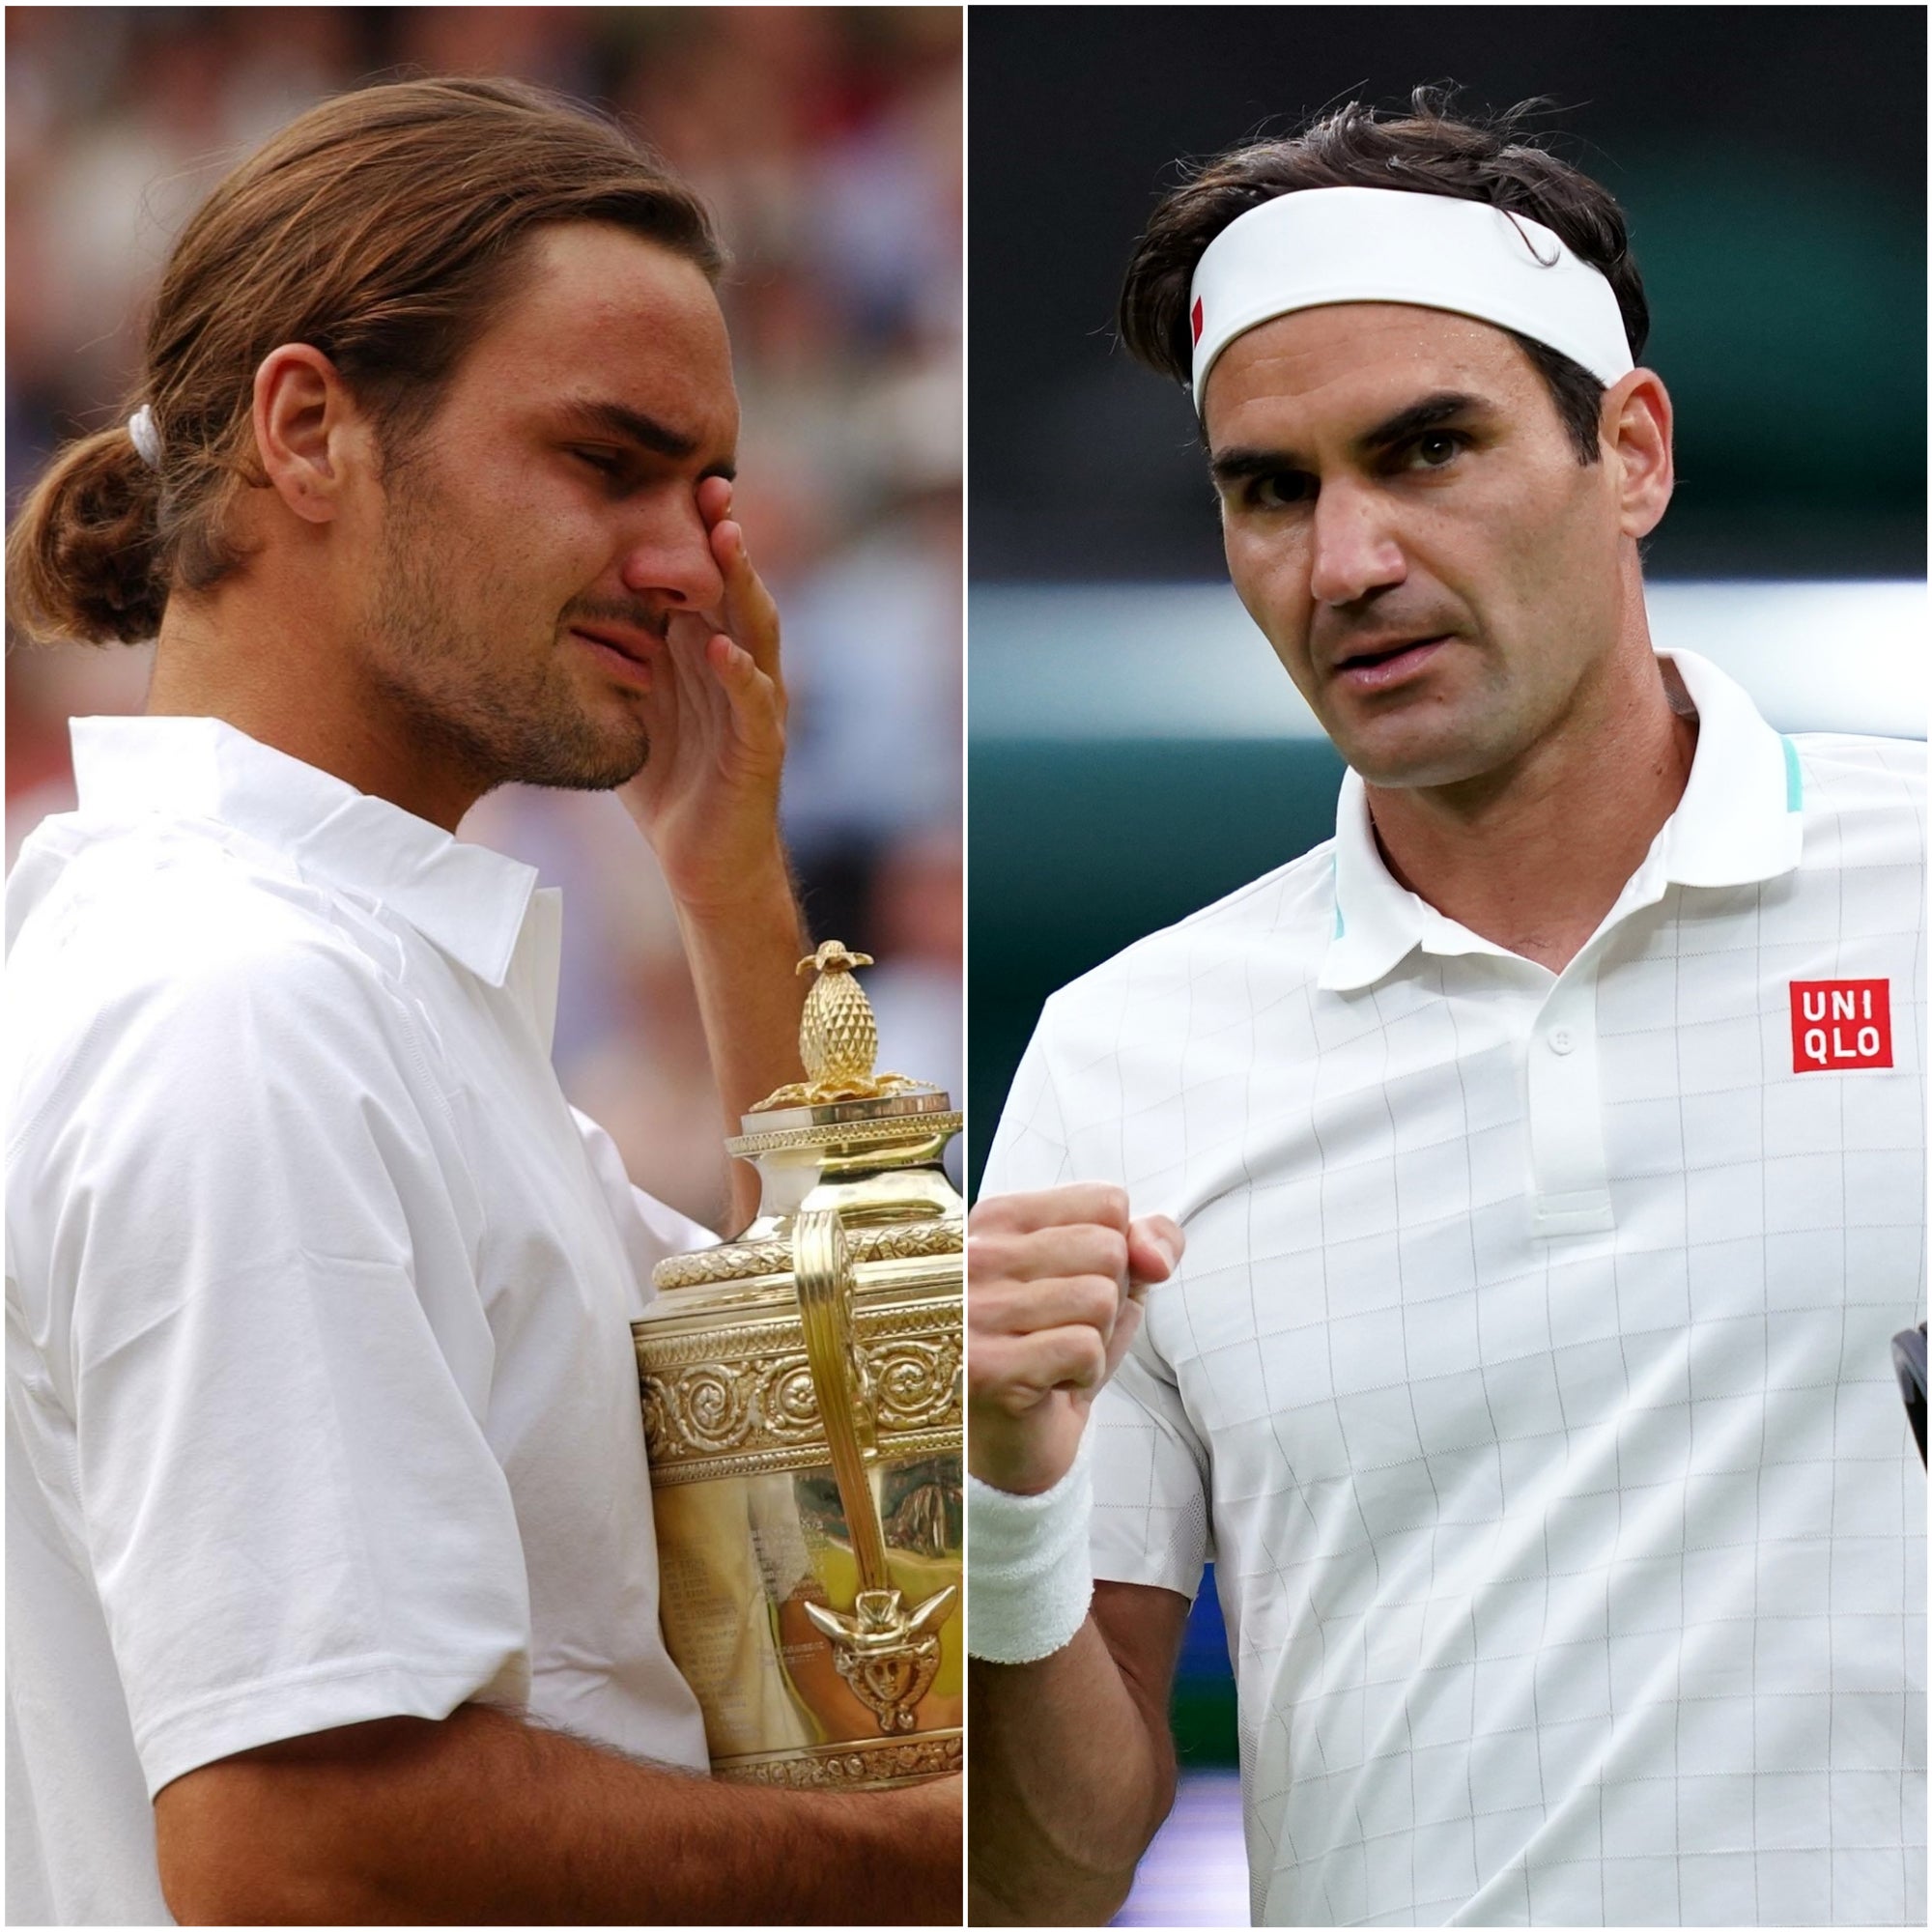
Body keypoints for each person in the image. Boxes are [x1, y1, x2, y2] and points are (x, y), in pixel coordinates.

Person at [5, 76, 958, 1926]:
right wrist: (915, 1861)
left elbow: (836, 1525)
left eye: (710, 494)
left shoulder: (326, 978)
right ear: (308, 430)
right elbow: (303, 1847)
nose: (693, 566)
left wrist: (731, 884)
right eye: (608, 464)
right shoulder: (250, 1008)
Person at [968, 93, 1924, 1927]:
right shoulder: (1122, 1053)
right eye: (1272, 489)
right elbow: (1042, 1884)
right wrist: (1006, 1511)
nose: (1346, 563)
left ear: (1629, 452)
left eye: (1428, 451)